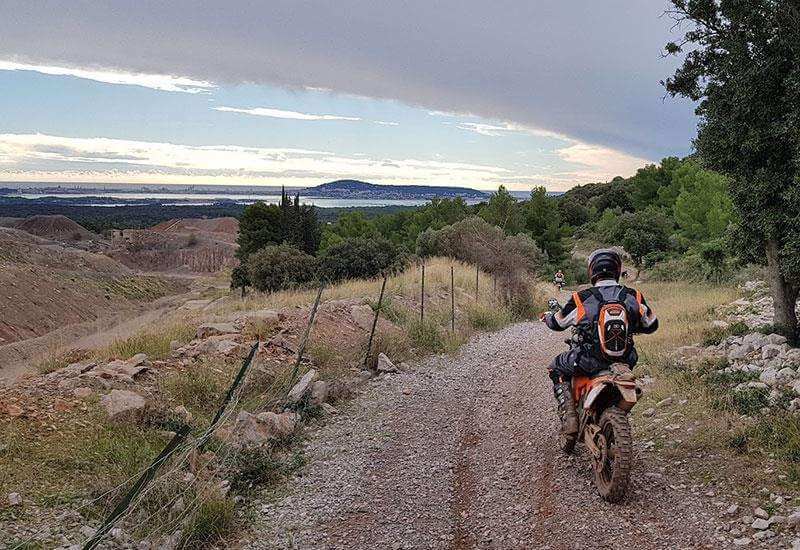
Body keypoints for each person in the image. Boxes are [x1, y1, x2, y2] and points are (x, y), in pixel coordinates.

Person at [540, 249, 658, 437]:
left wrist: (547, 317)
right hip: (625, 361)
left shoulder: (582, 298)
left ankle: (569, 416)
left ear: (592, 270)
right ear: (617, 270)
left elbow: (558, 323)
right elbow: (652, 325)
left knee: (555, 367)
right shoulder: (633, 295)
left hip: (588, 361)